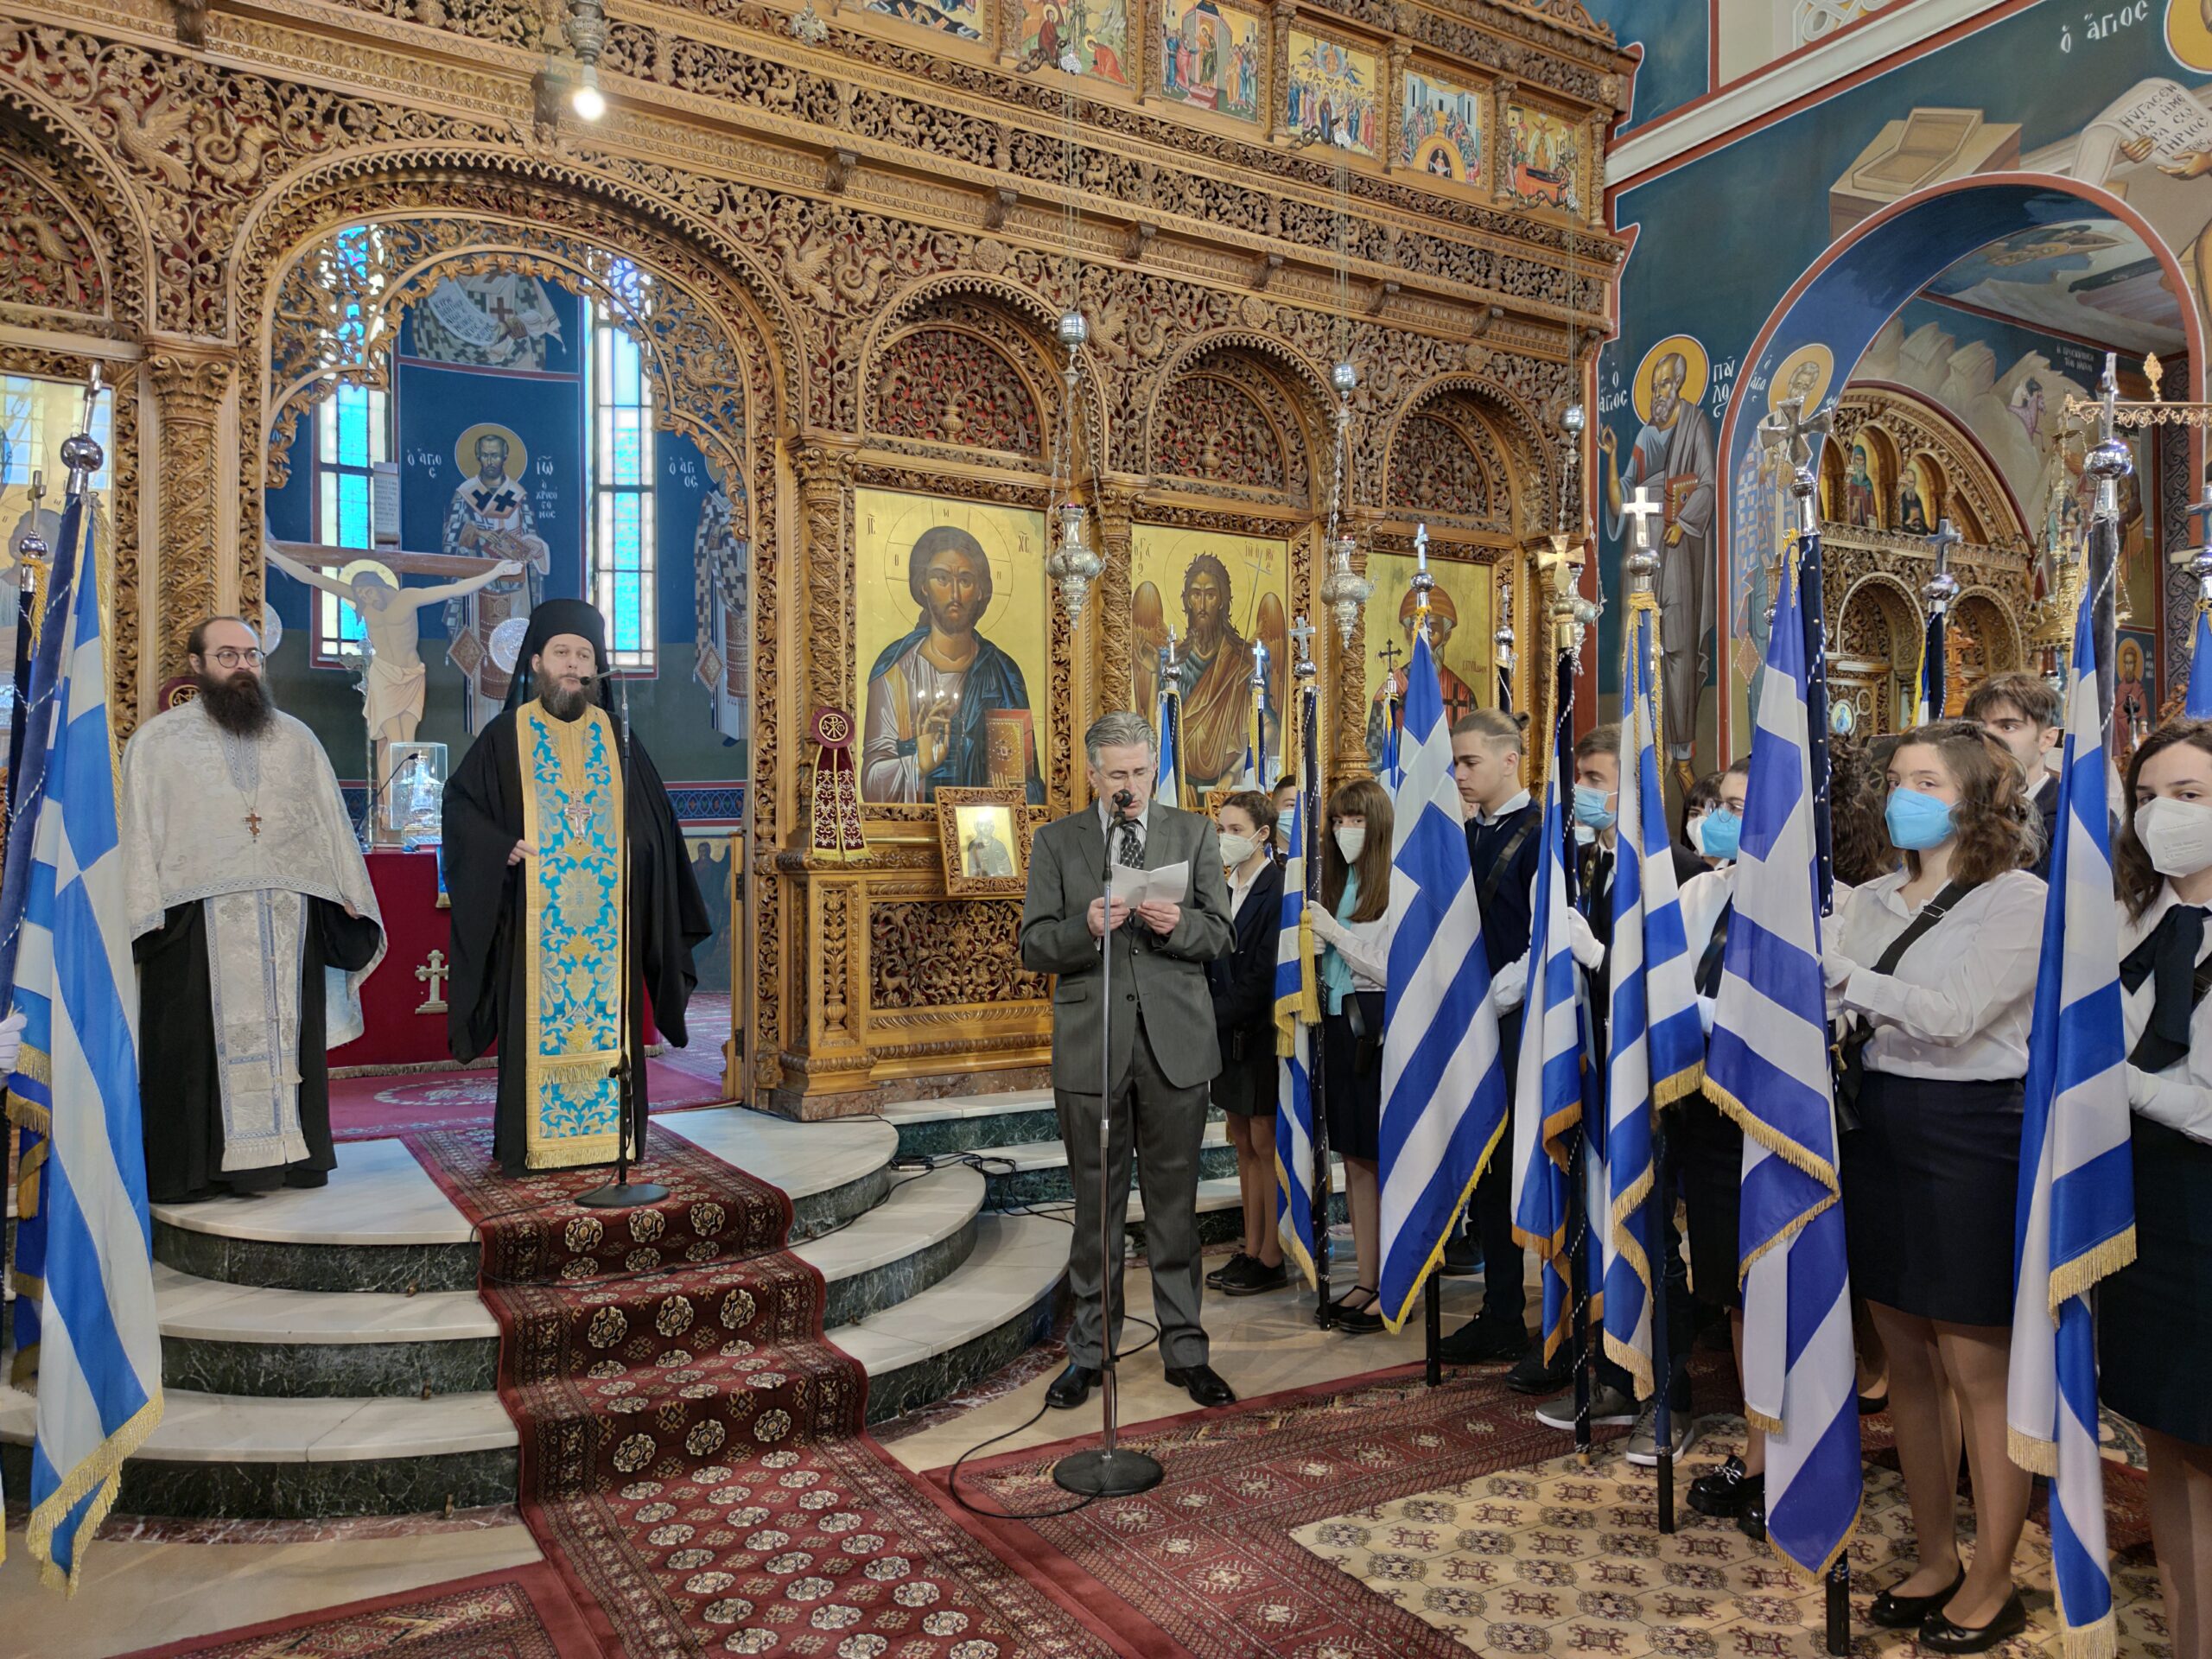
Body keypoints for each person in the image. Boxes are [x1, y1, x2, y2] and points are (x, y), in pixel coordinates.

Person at [1827, 720, 2042, 1651]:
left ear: (1975, 800)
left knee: (1975, 1369)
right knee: (1907, 1359)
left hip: (1971, 1136)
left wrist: (1843, 977)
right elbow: (1847, 1010)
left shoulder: (2016, 899)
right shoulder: (1872, 896)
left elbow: (1956, 1016)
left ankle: (1995, 1576)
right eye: (1897, 781)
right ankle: (1935, 1555)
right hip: (1879, 1122)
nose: (1902, 797)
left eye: (1926, 782)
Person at [122, 617, 385, 1204]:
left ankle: (292, 1161)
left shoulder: (296, 739)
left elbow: (329, 827)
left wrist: (348, 892)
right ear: (197, 665)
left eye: (251, 655)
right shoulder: (158, 744)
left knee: (288, 1043)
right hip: (193, 927)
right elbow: (138, 836)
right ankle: (195, 1174)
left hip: (288, 920)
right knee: (190, 1052)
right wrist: (142, 911)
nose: (242, 666)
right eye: (227, 655)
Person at [442, 599, 710, 1175]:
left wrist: (639, 851)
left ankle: (611, 1139)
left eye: (584, 656)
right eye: (561, 653)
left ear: (596, 668)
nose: (573, 665)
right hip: (533, 929)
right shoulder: (506, 735)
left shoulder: (620, 738)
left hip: (611, 932)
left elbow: (658, 826)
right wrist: (498, 845)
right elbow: (460, 808)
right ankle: (532, 1144)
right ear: (536, 662)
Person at [1019, 710, 1237, 1410]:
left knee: (1174, 1208)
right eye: (1118, 774)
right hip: (1095, 1044)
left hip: (1176, 1044)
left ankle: (1186, 1350)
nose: (1132, 786)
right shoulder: (1057, 841)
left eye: (1142, 771)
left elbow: (1221, 933)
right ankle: (1090, 1352)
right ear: (1093, 774)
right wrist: (1084, 926)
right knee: (1096, 1210)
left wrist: (1182, 925)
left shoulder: (1193, 833)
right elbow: (1033, 944)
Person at [2108, 720, 2212, 1659]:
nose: (2161, 816)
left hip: (2205, 1198)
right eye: (2146, 798)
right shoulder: (2127, 919)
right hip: (2136, 1200)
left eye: (2188, 797)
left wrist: (2118, 1082)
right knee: (2166, 1439)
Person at [1438, 709, 1542, 1361]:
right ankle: (1500, 1310)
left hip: (1515, 1027)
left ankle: (1543, 1314)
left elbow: (1543, 943)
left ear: (1510, 759)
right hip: (1466, 1027)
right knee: (1484, 1168)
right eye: (1455, 762)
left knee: (1513, 1169)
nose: (1459, 773)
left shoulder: (1540, 837)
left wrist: (1486, 1000)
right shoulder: (1460, 835)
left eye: (1470, 761)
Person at [266, 545, 525, 792]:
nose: (365, 598)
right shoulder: (363, 602)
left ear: (379, 584)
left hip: (412, 676)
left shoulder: (407, 598)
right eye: (361, 595)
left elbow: (454, 589)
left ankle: (400, 806)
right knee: (395, 742)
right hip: (384, 675)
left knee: (407, 741)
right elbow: (311, 577)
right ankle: (389, 808)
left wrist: (495, 572)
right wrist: (268, 552)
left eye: (368, 591)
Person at [861, 525, 1040, 804]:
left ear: (980, 590)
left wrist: (1010, 791)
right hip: (910, 827)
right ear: (923, 585)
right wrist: (918, 764)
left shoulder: (1003, 672)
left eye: (965, 580)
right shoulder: (895, 671)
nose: (954, 593)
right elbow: (871, 783)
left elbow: (1032, 787)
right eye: (942, 578)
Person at [1306, 778, 1394, 1335]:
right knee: (1355, 1160)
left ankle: (1392, 1282)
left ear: (1378, 825)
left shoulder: (1397, 884)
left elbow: (1393, 967)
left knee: (1381, 1158)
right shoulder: (1342, 882)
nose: (1345, 831)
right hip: (1340, 1025)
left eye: (1356, 820)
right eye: (1338, 821)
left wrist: (1336, 936)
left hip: (1377, 1028)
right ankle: (1366, 1278)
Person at [1203, 790, 1287, 1297]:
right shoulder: (1222, 885)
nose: (1225, 838)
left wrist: (1208, 1016)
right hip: (1225, 1034)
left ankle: (1271, 1254)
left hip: (1259, 1032)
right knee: (1241, 1140)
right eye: (1221, 829)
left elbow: (1261, 975)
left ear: (1262, 834)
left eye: (1235, 830)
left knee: (1263, 1141)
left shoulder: (1277, 888)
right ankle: (1251, 1246)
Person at [1962, 672, 2061, 878]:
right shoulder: (1961, 810)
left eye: (2007, 727)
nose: (1987, 737)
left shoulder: (2071, 819)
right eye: (1978, 726)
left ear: (2047, 739)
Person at [1679, 770, 1723, 868]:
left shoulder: (1746, 869)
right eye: (1695, 814)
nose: (1702, 822)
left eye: (1712, 813)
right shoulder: (1678, 868)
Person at [963, 813, 1015, 877]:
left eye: (987, 825)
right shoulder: (973, 845)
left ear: (991, 826)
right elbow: (972, 868)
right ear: (978, 828)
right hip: (980, 880)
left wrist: (993, 876)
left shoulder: (998, 845)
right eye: (982, 825)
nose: (985, 828)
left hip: (998, 880)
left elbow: (1006, 870)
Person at [1271, 774, 1299, 855]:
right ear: (1273, 809)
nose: (1299, 812)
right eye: (1291, 805)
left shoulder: (1321, 860)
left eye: (1305, 806)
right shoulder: (1261, 858)